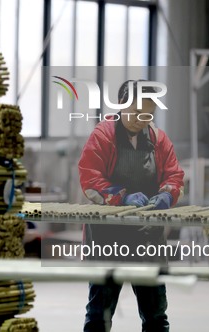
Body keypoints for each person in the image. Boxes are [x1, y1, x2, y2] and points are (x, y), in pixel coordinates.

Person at [78, 80, 185, 332]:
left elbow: (174, 175)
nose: (142, 119)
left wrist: (167, 195)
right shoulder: (103, 135)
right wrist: (120, 196)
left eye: (148, 114)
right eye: (136, 112)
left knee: (156, 315)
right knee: (99, 315)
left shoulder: (158, 139)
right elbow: (89, 177)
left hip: (148, 235)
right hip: (107, 235)